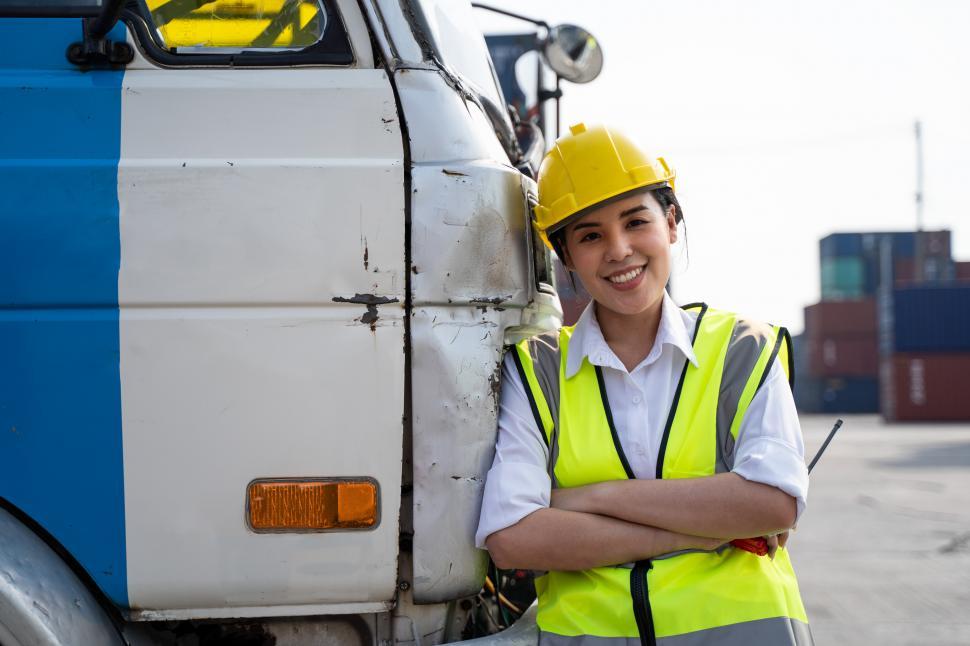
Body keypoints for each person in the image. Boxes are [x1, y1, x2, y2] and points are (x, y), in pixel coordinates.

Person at [476, 123, 812, 645]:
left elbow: (772, 503)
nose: (619, 250)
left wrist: (584, 498)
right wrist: (694, 532)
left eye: (636, 222)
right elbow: (514, 539)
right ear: (565, 256)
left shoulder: (742, 348)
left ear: (671, 223)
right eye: (590, 236)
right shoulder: (536, 370)